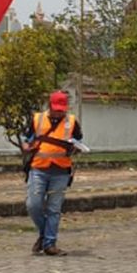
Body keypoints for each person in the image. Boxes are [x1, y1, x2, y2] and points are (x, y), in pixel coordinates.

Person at [23, 90, 83, 257]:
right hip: (39, 168)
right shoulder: (37, 119)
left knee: (54, 209)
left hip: (61, 171)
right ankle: (44, 234)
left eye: (62, 109)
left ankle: (50, 243)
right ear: (50, 105)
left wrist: (76, 148)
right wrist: (27, 146)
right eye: (56, 108)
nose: (59, 112)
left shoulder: (71, 122)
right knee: (33, 205)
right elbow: (26, 139)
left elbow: (78, 140)